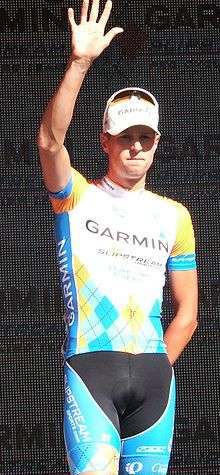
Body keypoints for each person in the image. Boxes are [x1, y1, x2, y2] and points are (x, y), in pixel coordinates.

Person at [37, 1, 198, 474]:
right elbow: (49, 142)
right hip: (93, 372)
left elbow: (188, 312)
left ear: (157, 143)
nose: (136, 146)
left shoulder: (175, 216)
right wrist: (80, 63)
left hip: (154, 382)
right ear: (105, 141)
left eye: (145, 137)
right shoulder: (77, 197)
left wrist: (157, 365)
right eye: (126, 136)